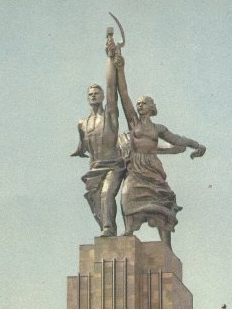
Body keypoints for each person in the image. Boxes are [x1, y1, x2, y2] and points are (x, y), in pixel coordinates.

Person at [114, 54, 205, 250]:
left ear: (151, 107)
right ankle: (129, 229)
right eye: (138, 103)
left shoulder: (158, 129)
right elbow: (123, 94)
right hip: (135, 167)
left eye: (143, 103)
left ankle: (166, 246)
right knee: (127, 194)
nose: (139, 105)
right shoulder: (133, 122)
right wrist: (120, 69)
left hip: (152, 168)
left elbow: (177, 139)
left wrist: (195, 144)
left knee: (161, 202)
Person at [72, 30, 126, 237]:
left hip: (113, 164)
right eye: (90, 94)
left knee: (106, 195)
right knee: (94, 201)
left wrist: (111, 58)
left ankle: (109, 228)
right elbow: (81, 143)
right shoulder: (82, 123)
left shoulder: (110, 115)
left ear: (103, 96)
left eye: (97, 93)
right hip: (94, 168)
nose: (93, 95)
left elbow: (113, 87)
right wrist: (78, 151)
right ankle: (105, 226)